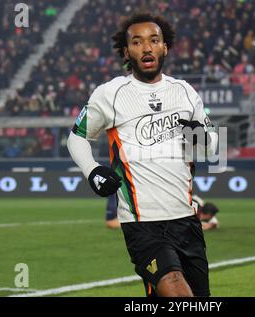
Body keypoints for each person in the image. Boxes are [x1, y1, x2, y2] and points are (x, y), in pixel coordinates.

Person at [67, 12, 218, 297]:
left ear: (165, 47)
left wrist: (199, 136)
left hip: (186, 220)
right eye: (137, 42)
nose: (146, 47)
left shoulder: (185, 92)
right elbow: (76, 138)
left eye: (154, 40)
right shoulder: (109, 94)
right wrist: (92, 171)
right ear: (126, 51)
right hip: (142, 223)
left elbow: (211, 148)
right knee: (176, 289)